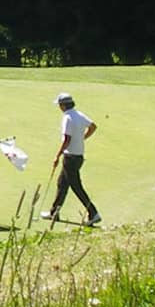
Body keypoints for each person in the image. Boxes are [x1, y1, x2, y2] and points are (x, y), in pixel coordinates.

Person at [47, 92, 101, 226]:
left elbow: (67, 139)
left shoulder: (67, 117)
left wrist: (57, 155)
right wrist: (83, 137)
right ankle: (54, 212)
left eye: (60, 105)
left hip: (70, 156)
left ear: (64, 105)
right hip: (78, 156)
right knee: (62, 183)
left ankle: (93, 213)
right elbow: (93, 126)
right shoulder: (79, 114)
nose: (59, 107)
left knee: (76, 186)